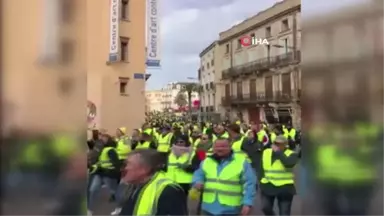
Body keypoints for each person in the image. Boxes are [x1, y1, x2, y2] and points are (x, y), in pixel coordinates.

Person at [192, 138, 257, 216]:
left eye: (223, 146)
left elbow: (250, 183)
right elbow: (198, 174)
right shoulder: (207, 161)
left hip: (231, 210)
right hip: (208, 208)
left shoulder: (241, 161)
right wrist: (197, 181)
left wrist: (247, 203)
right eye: (217, 147)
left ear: (230, 147)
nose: (220, 149)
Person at [119, 149, 188, 216]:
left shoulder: (168, 190)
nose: (124, 168)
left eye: (127, 164)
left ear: (144, 169)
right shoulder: (134, 185)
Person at [259, 135, 299, 216]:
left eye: (280, 144)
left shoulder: (292, 154)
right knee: (265, 208)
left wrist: (279, 152)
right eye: (276, 143)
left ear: (285, 144)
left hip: (285, 187)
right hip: (268, 184)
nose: (278, 145)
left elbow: (288, 163)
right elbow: (261, 166)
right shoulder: (266, 152)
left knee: (284, 213)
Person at [87, 133, 121, 216]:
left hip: (109, 174)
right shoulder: (99, 149)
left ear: (108, 140)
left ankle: (118, 208)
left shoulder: (110, 150)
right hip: (99, 173)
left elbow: (116, 163)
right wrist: (93, 167)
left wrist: (116, 173)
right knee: (93, 190)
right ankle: (90, 210)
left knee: (113, 191)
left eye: (104, 138)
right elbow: (99, 161)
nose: (102, 139)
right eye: (101, 138)